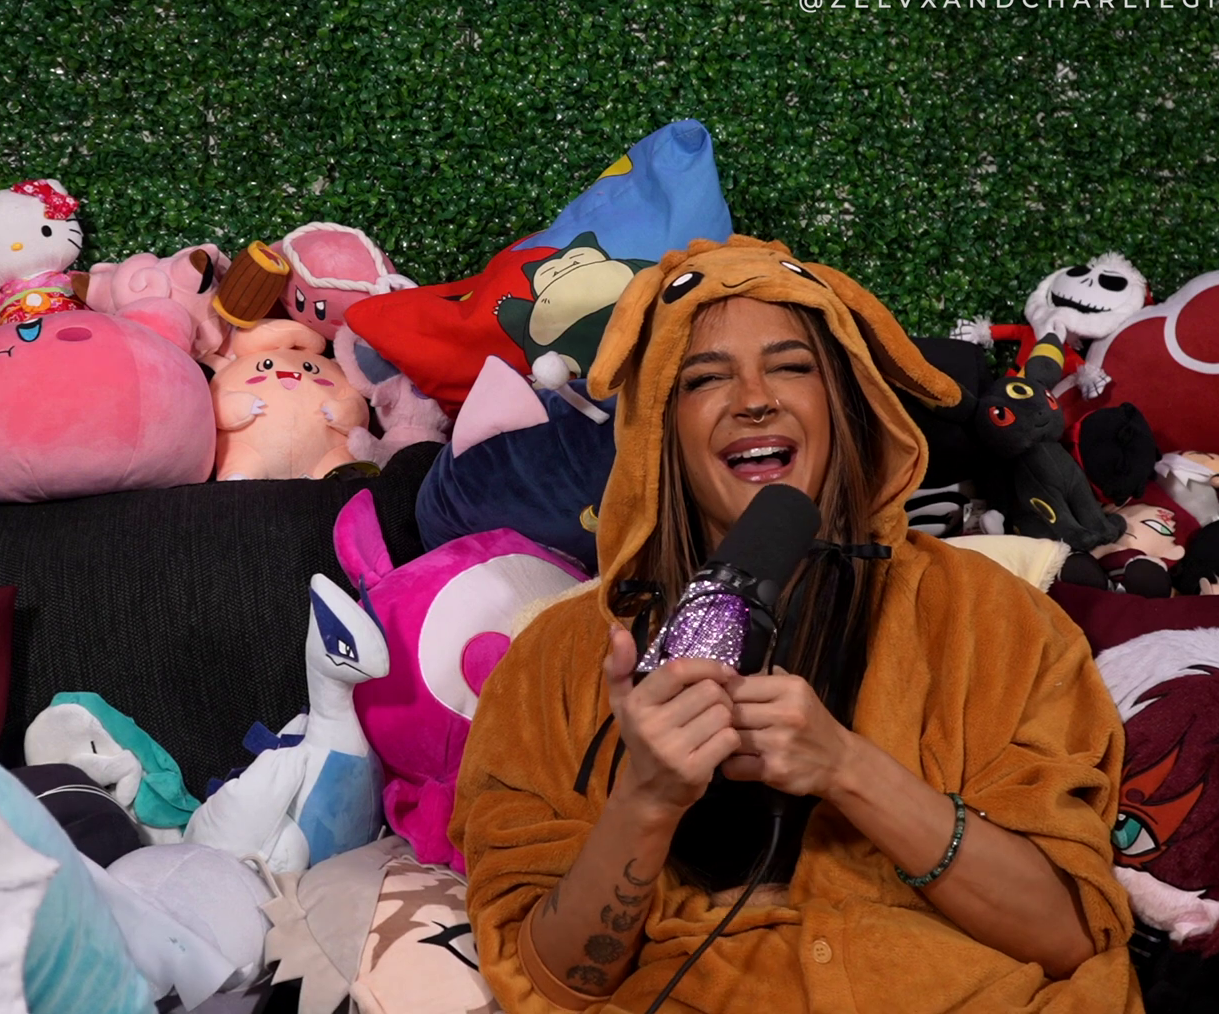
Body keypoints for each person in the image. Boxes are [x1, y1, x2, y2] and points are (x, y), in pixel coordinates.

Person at [453, 235, 1141, 1012]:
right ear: (658, 431)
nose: (754, 399)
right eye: (705, 377)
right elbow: (548, 985)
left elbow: (1070, 935)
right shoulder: (558, 660)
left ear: (845, 406)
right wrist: (645, 799)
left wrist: (850, 769)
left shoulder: (990, 617)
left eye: (790, 367)